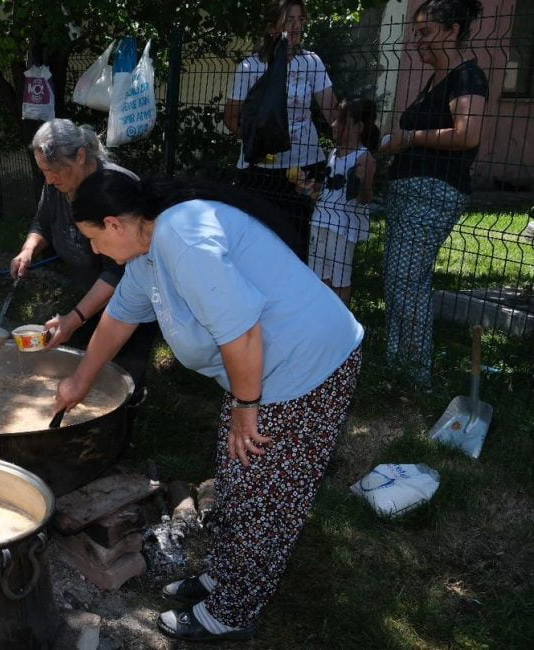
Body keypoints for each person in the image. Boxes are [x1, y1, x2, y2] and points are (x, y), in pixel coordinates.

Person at [54, 169, 363, 643]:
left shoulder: (181, 238)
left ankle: (235, 610)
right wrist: (78, 381)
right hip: (260, 375)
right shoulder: (147, 255)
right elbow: (117, 319)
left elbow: (243, 331)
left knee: (268, 499)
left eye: (93, 238)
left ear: (114, 224)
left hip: (307, 365)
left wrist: (245, 404)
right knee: (237, 477)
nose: (95, 250)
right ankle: (224, 574)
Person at [9, 119, 159, 397]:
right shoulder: (55, 186)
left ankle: (122, 424)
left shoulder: (112, 187)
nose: (49, 179)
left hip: (129, 302)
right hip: (88, 298)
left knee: (122, 380)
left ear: (80, 156)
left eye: (53, 170)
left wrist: (74, 318)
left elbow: (117, 271)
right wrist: (28, 249)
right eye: (43, 171)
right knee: (85, 371)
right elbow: (42, 223)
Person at [379, 0, 487, 385]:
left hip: (434, 192)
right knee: (397, 278)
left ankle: (414, 373)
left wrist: (409, 137)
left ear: (452, 31)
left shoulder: (467, 78)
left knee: (407, 278)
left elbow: (467, 134)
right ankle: (399, 366)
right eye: (415, 33)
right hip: (409, 192)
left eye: (425, 32)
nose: (417, 41)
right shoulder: (434, 82)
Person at [223, 0, 338, 261]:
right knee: (255, 242)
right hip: (260, 171)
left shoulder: (312, 63)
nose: (297, 27)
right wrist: (257, 142)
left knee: (296, 243)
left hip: (304, 167)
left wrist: (350, 147)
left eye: (300, 20)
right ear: (272, 28)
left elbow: (331, 111)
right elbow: (230, 117)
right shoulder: (251, 67)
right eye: (289, 21)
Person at [307, 98, 379, 305]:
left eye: (341, 121)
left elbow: (366, 198)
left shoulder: (364, 157)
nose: (334, 125)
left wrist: (363, 180)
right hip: (320, 221)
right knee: (319, 276)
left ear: (358, 127)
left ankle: (341, 325)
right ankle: (322, 317)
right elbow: (329, 188)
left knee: (340, 281)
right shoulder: (333, 153)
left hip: (341, 227)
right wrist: (312, 190)